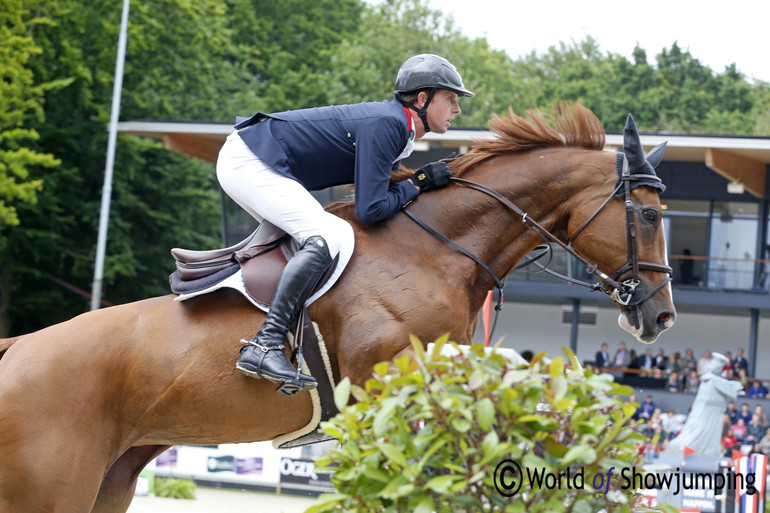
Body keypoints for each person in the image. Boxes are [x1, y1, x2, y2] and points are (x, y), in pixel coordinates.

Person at [216, 54, 474, 394]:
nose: (457, 108)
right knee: (328, 235)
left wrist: (415, 184)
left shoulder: (396, 126)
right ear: (422, 99)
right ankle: (265, 345)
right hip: (250, 161)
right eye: (451, 98)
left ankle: (291, 345)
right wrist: (418, 183)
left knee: (322, 240)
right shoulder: (389, 124)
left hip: (255, 160)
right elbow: (371, 209)